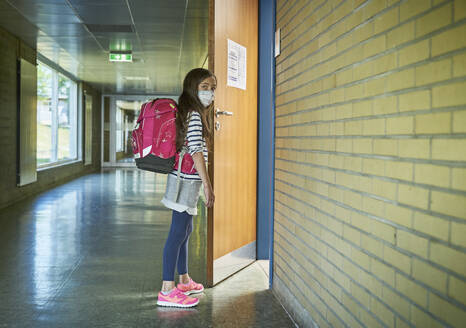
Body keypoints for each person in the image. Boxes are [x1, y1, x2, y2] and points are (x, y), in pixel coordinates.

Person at [157, 68, 216, 308]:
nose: (210, 92)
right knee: (177, 233)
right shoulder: (193, 114)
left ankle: (183, 280)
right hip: (184, 181)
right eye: (204, 87)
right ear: (193, 88)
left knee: (186, 229)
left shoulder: (192, 112)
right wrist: (208, 184)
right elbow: (196, 151)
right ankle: (166, 290)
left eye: (212, 87)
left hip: (185, 181)